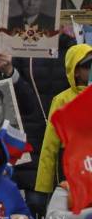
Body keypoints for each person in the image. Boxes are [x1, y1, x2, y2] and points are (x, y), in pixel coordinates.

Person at [35, 44, 92, 199]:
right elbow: (50, 145)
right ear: (76, 71)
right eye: (87, 65)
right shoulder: (61, 100)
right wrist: (44, 185)